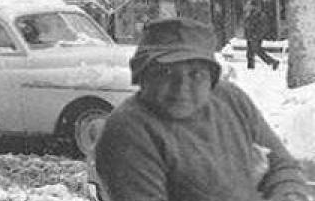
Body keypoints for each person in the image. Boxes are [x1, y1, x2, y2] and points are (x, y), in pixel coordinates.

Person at [93, 17, 309, 201]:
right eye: (166, 73)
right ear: (142, 75)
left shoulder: (230, 99)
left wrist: (289, 194)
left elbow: (282, 165)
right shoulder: (129, 130)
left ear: (211, 79)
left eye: (196, 74)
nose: (182, 88)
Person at [244, 0, 280, 70]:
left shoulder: (259, 14)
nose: (247, 6)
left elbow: (264, 26)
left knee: (258, 51)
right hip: (250, 35)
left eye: (249, 5)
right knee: (250, 53)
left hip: (255, 36)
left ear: (253, 6)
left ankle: (273, 61)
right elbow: (247, 24)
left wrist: (258, 34)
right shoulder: (249, 13)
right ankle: (250, 68)